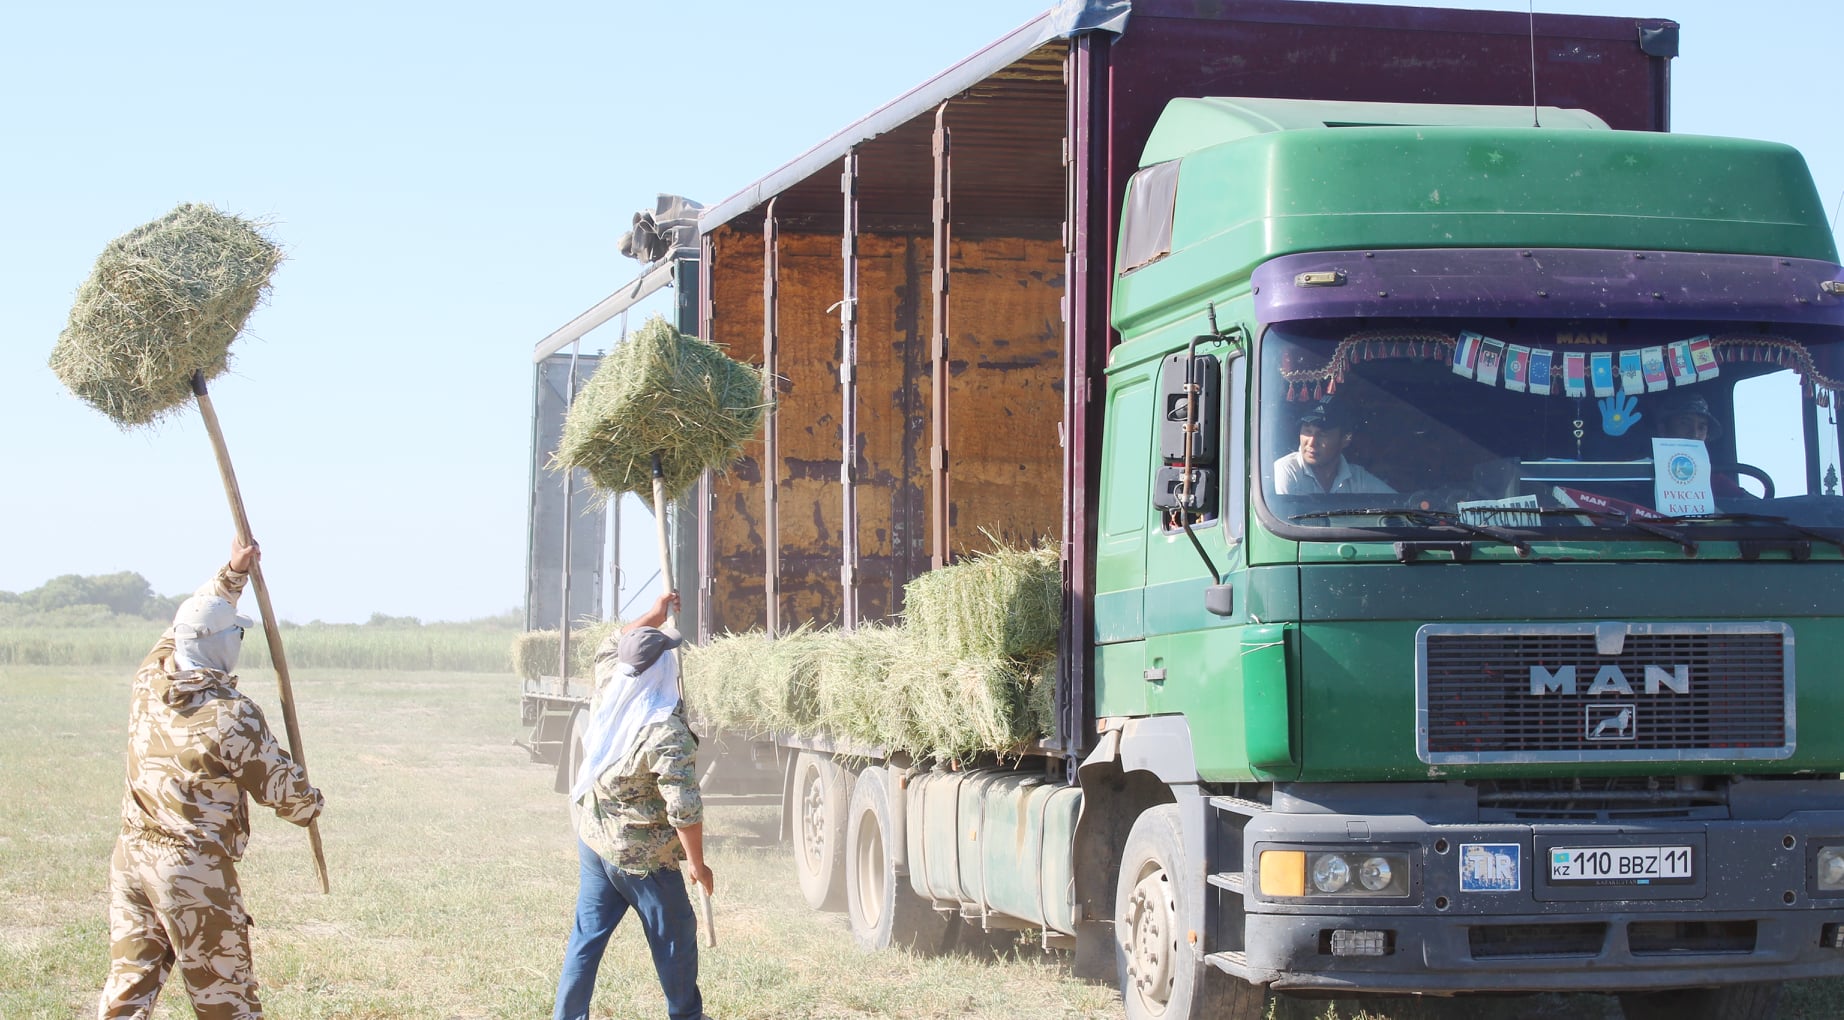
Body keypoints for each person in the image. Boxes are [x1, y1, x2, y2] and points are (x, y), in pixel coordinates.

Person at [99, 538, 323, 1020]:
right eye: (236, 636)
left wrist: (232, 573)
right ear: (224, 645)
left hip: (132, 858)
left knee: (128, 991)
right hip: (191, 873)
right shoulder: (231, 717)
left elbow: (184, 623)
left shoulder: (149, 681)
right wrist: (311, 800)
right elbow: (289, 799)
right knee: (227, 1000)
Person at [555, 590, 714, 1020]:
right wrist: (698, 865)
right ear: (662, 668)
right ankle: (686, 1016)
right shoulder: (663, 729)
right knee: (676, 938)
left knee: (586, 940)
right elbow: (683, 807)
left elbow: (616, 640)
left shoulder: (610, 679)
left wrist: (654, 615)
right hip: (643, 859)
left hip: (595, 842)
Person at [1273, 396, 1395, 495]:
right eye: (1307, 431)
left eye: (1322, 434)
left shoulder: (1357, 478)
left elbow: (1394, 504)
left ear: (1345, 439)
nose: (1311, 442)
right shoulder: (1286, 470)